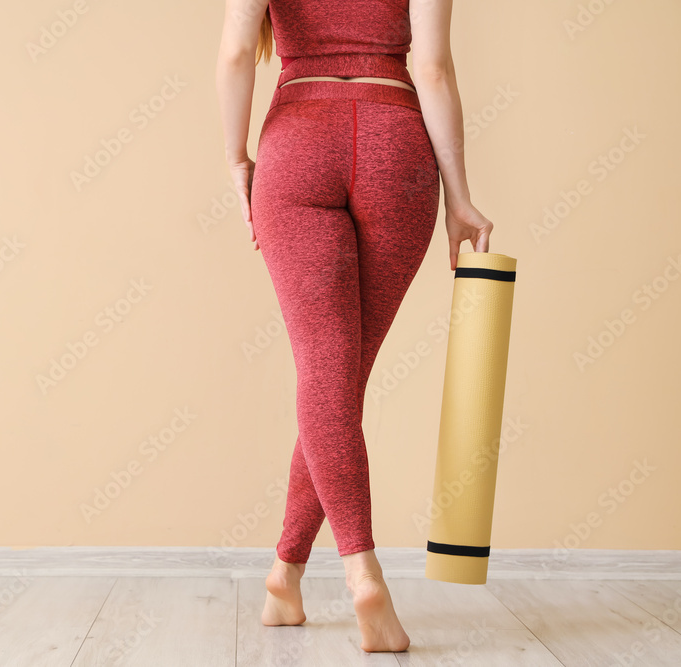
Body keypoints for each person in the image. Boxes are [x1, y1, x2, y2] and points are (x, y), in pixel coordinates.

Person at [215, 0, 495, 653]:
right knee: (338, 381)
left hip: (295, 145)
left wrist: (235, 158)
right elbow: (432, 67)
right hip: (395, 148)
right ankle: (288, 576)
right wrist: (459, 197)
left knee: (326, 375)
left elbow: (234, 53)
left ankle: (350, 570)